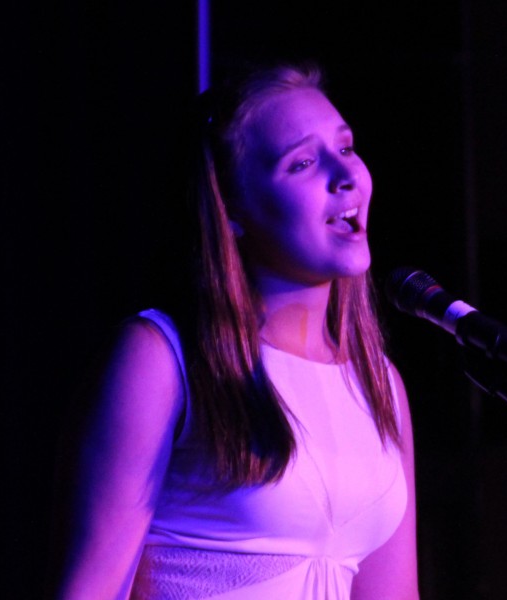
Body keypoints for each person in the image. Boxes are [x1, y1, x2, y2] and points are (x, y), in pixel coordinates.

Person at [50, 63, 419, 600]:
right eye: (303, 163)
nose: (345, 177)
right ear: (234, 209)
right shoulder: (162, 359)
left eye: (345, 148)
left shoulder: (380, 383)